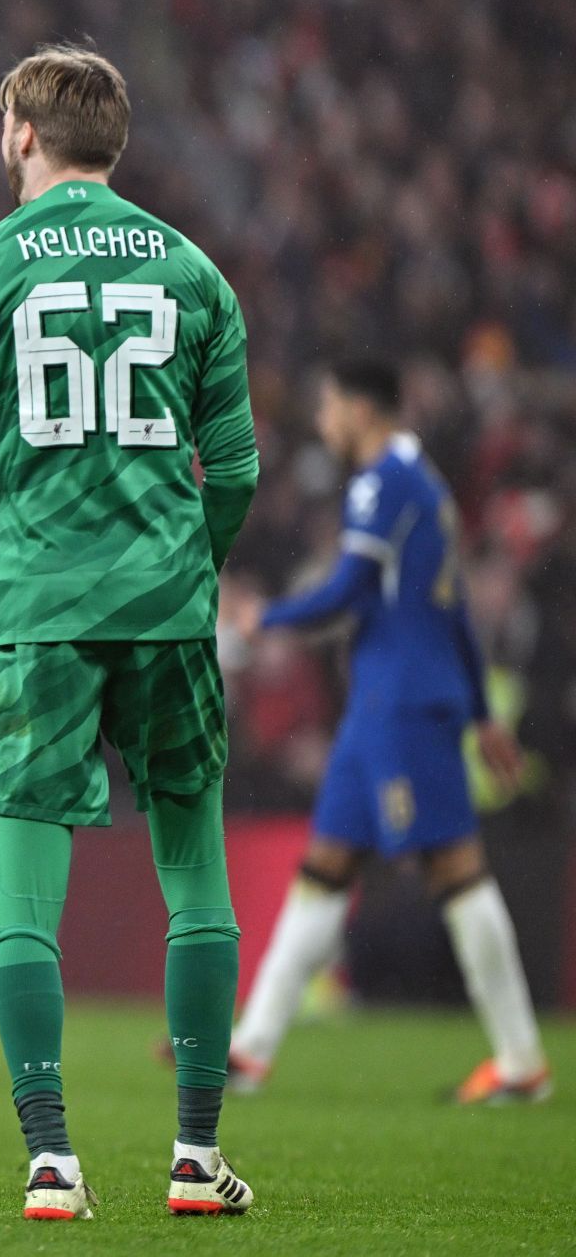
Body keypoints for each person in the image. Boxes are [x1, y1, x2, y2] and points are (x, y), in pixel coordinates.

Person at [0, 45, 261, 1219]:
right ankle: (195, 1155)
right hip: (165, 602)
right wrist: (191, 564)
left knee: (23, 899)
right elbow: (238, 466)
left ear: (22, 132)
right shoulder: (193, 269)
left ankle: (51, 1159)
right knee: (196, 878)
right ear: (112, 140)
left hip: (33, 604)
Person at [225, 359, 550, 1105]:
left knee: (454, 870)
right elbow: (456, 610)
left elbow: (348, 590)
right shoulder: (425, 487)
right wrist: (480, 711)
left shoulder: (383, 483)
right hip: (381, 706)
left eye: (330, 405)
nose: (324, 421)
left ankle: (522, 1060)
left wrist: (262, 617)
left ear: (359, 408)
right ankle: (248, 1051)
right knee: (326, 866)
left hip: (402, 707)